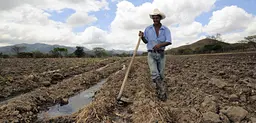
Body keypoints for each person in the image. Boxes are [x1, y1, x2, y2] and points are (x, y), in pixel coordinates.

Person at [139, 8, 172, 101]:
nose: (155, 20)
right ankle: (162, 92)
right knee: (154, 72)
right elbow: (146, 41)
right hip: (151, 54)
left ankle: (158, 88)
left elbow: (169, 41)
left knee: (161, 74)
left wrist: (160, 45)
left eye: (157, 18)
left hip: (161, 54)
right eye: (154, 18)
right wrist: (142, 36)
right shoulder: (148, 29)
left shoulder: (166, 29)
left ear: (160, 18)